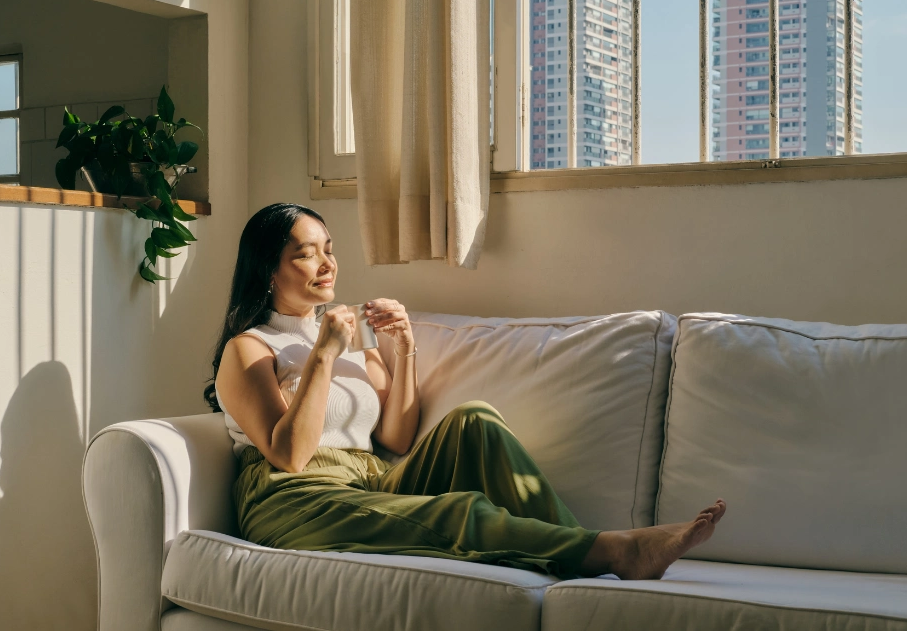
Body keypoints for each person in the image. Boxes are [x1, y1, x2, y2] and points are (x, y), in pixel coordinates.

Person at [206, 203, 726, 579]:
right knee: (457, 510)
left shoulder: (348, 333)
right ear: (269, 270)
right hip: (293, 499)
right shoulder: (250, 348)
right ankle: (616, 553)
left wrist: (402, 345)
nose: (327, 264)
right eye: (305, 254)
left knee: (474, 419)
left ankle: (582, 563)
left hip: (369, 479)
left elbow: (398, 436)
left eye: (329, 250)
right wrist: (322, 354)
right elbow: (290, 455)